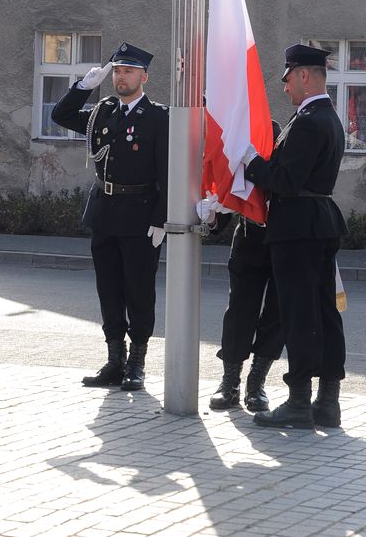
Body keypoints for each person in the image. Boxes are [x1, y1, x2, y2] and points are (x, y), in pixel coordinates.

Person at [51, 42, 169, 392]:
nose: (121, 77)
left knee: (139, 291)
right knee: (109, 291)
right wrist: (83, 87)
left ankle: (137, 362)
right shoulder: (103, 112)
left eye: (128, 71)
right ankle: (114, 360)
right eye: (117, 71)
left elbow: (167, 171)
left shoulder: (159, 117)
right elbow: (61, 116)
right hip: (105, 213)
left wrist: (162, 218)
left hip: (140, 216)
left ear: (143, 77)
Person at [242, 43, 347, 429]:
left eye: (288, 79)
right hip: (317, 221)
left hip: (297, 225)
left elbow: (286, 180)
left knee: (298, 313)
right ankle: (328, 402)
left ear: (304, 75)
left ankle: (300, 401)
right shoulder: (328, 116)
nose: (285, 87)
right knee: (324, 311)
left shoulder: (307, 120)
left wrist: (250, 162)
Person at [198, 122, 284, 413]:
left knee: (276, 313)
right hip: (249, 237)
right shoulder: (230, 137)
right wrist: (211, 216)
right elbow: (226, 193)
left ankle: (256, 383)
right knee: (239, 312)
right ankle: (230, 382)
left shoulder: (273, 132)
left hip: (281, 238)